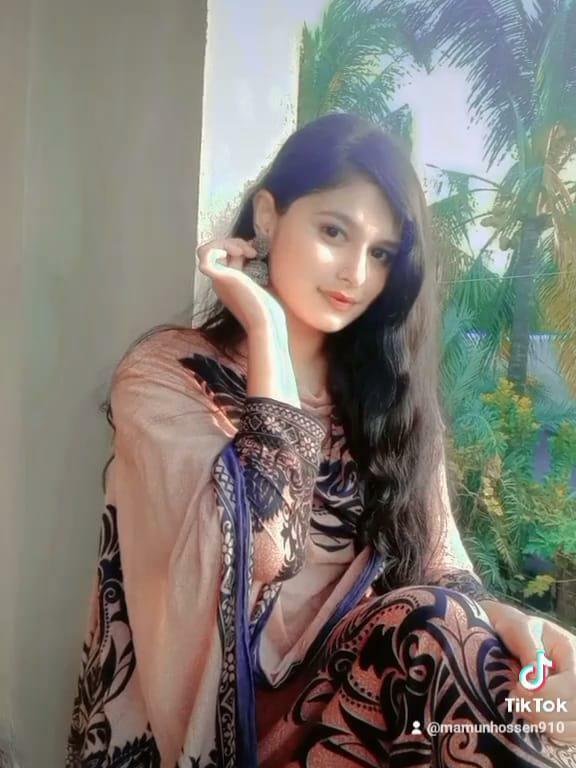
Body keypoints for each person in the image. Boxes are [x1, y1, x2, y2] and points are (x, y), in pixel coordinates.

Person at [66, 112, 576, 768]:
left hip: (353, 713)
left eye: (382, 254)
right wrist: (266, 330)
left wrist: (517, 630)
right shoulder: (166, 376)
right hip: (207, 731)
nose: (357, 275)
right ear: (268, 217)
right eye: (335, 231)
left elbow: (440, 565)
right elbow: (261, 551)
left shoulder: (389, 405)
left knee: (506, 675)